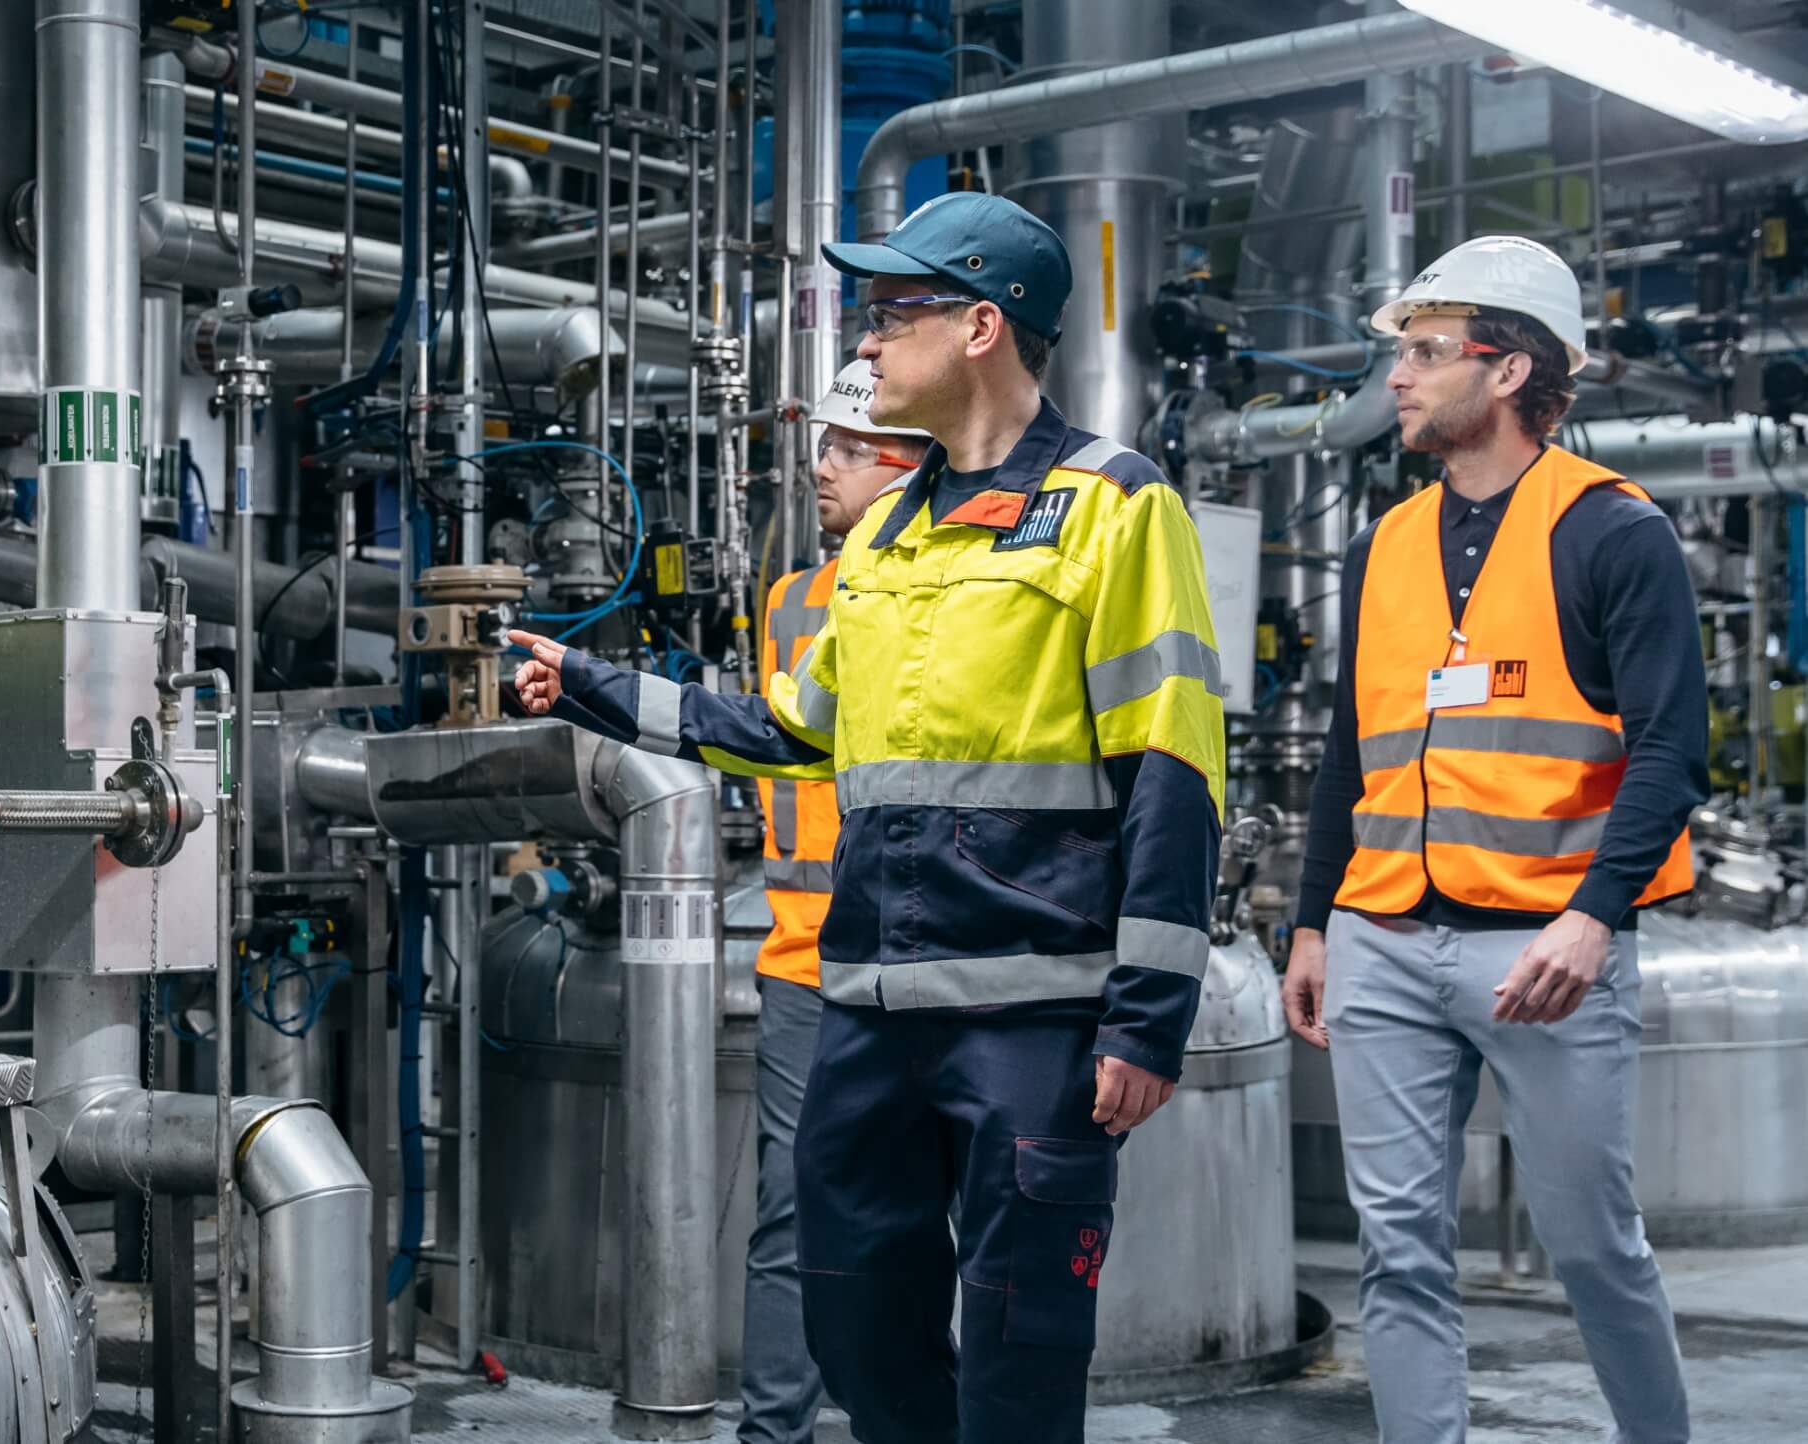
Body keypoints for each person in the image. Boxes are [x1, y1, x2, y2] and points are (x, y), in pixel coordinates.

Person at [505, 190, 1225, 1442]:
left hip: (1030, 1014)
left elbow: (1170, 766)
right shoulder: (886, 531)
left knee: (1017, 1353)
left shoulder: (1115, 508)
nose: (867, 344)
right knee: (849, 1319)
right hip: (871, 1007)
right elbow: (799, 729)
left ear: (983, 328)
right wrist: (595, 688)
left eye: (893, 314)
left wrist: (1146, 1016)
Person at [1280, 234, 1706, 1444]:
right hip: (1378, 941)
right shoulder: (1384, 546)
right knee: (1397, 1250)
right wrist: (1312, 919)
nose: (1397, 379)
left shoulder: (1612, 532)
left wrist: (1594, 913)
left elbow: (1670, 748)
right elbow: (1346, 751)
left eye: (1422, 352)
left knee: (1590, 1246)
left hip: (1543, 951)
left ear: (1508, 370)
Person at [739, 360, 933, 1444]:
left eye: (845, 448)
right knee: (791, 1216)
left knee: (907, 1221)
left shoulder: (959, 588)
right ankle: (769, 1432)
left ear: (903, 463)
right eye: (823, 445)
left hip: (918, 957)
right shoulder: (788, 601)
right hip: (805, 961)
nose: (819, 465)